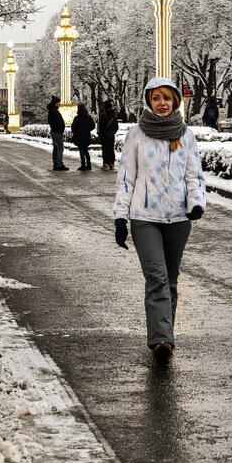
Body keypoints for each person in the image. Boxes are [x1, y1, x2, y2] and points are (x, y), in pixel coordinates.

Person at [113, 77, 206, 366]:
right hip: (145, 218)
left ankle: (164, 333)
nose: (162, 103)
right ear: (149, 102)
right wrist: (120, 217)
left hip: (179, 219)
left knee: (171, 279)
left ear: (175, 101)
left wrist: (197, 203)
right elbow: (126, 179)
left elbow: (194, 175)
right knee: (157, 277)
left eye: (166, 98)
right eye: (156, 99)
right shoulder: (137, 135)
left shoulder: (186, 135)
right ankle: (161, 340)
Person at [70, 103, 96, 171]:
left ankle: (83, 165)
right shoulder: (89, 117)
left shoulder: (77, 118)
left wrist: (76, 132)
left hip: (79, 136)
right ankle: (89, 165)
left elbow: (73, 128)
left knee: (81, 150)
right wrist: (87, 130)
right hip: (86, 136)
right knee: (86, 150)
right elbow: (93, 126)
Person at [47, 95, 69, 171]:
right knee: (59, 148)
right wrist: (61, 128)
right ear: (56, 103)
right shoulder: (54, 111)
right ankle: (59, 164)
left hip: (54, 131)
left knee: (56, 148)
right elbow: (57, 122)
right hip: (57, 132)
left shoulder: (51, 111)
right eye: (59, 102)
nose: (60, 103)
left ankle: (56, 163)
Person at [97, 100, 119, 170]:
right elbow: (116, 127)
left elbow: (101, 126)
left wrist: (100, 134)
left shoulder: (104, 116)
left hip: (105, 135)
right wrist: (112, 132)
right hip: (111, 135)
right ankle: (112, 164)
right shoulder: (114, 116)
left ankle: (106, 164)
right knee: (111, 149)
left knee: (105, 150)